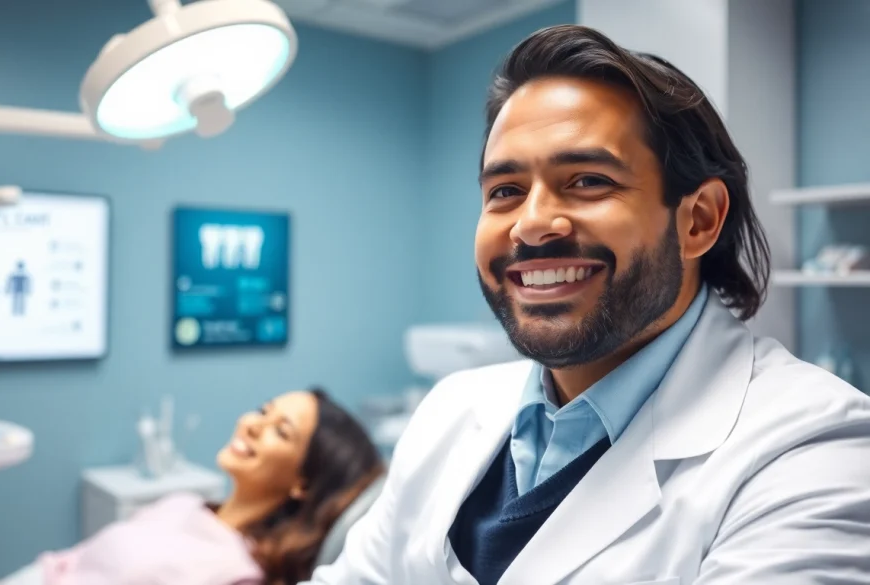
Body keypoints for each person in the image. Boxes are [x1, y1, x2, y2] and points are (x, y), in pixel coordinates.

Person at [306, 24, 870, 585]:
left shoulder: (816, 448)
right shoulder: (451, 410)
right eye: (505, 191)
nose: (531, 225)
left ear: (698, 220)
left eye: (588, 181)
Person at [2, 387, 384, 585]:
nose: (252, 423)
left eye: (280, 431)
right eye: (264, 411)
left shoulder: (238, 573)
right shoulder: (182, 503)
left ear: (303, 482)